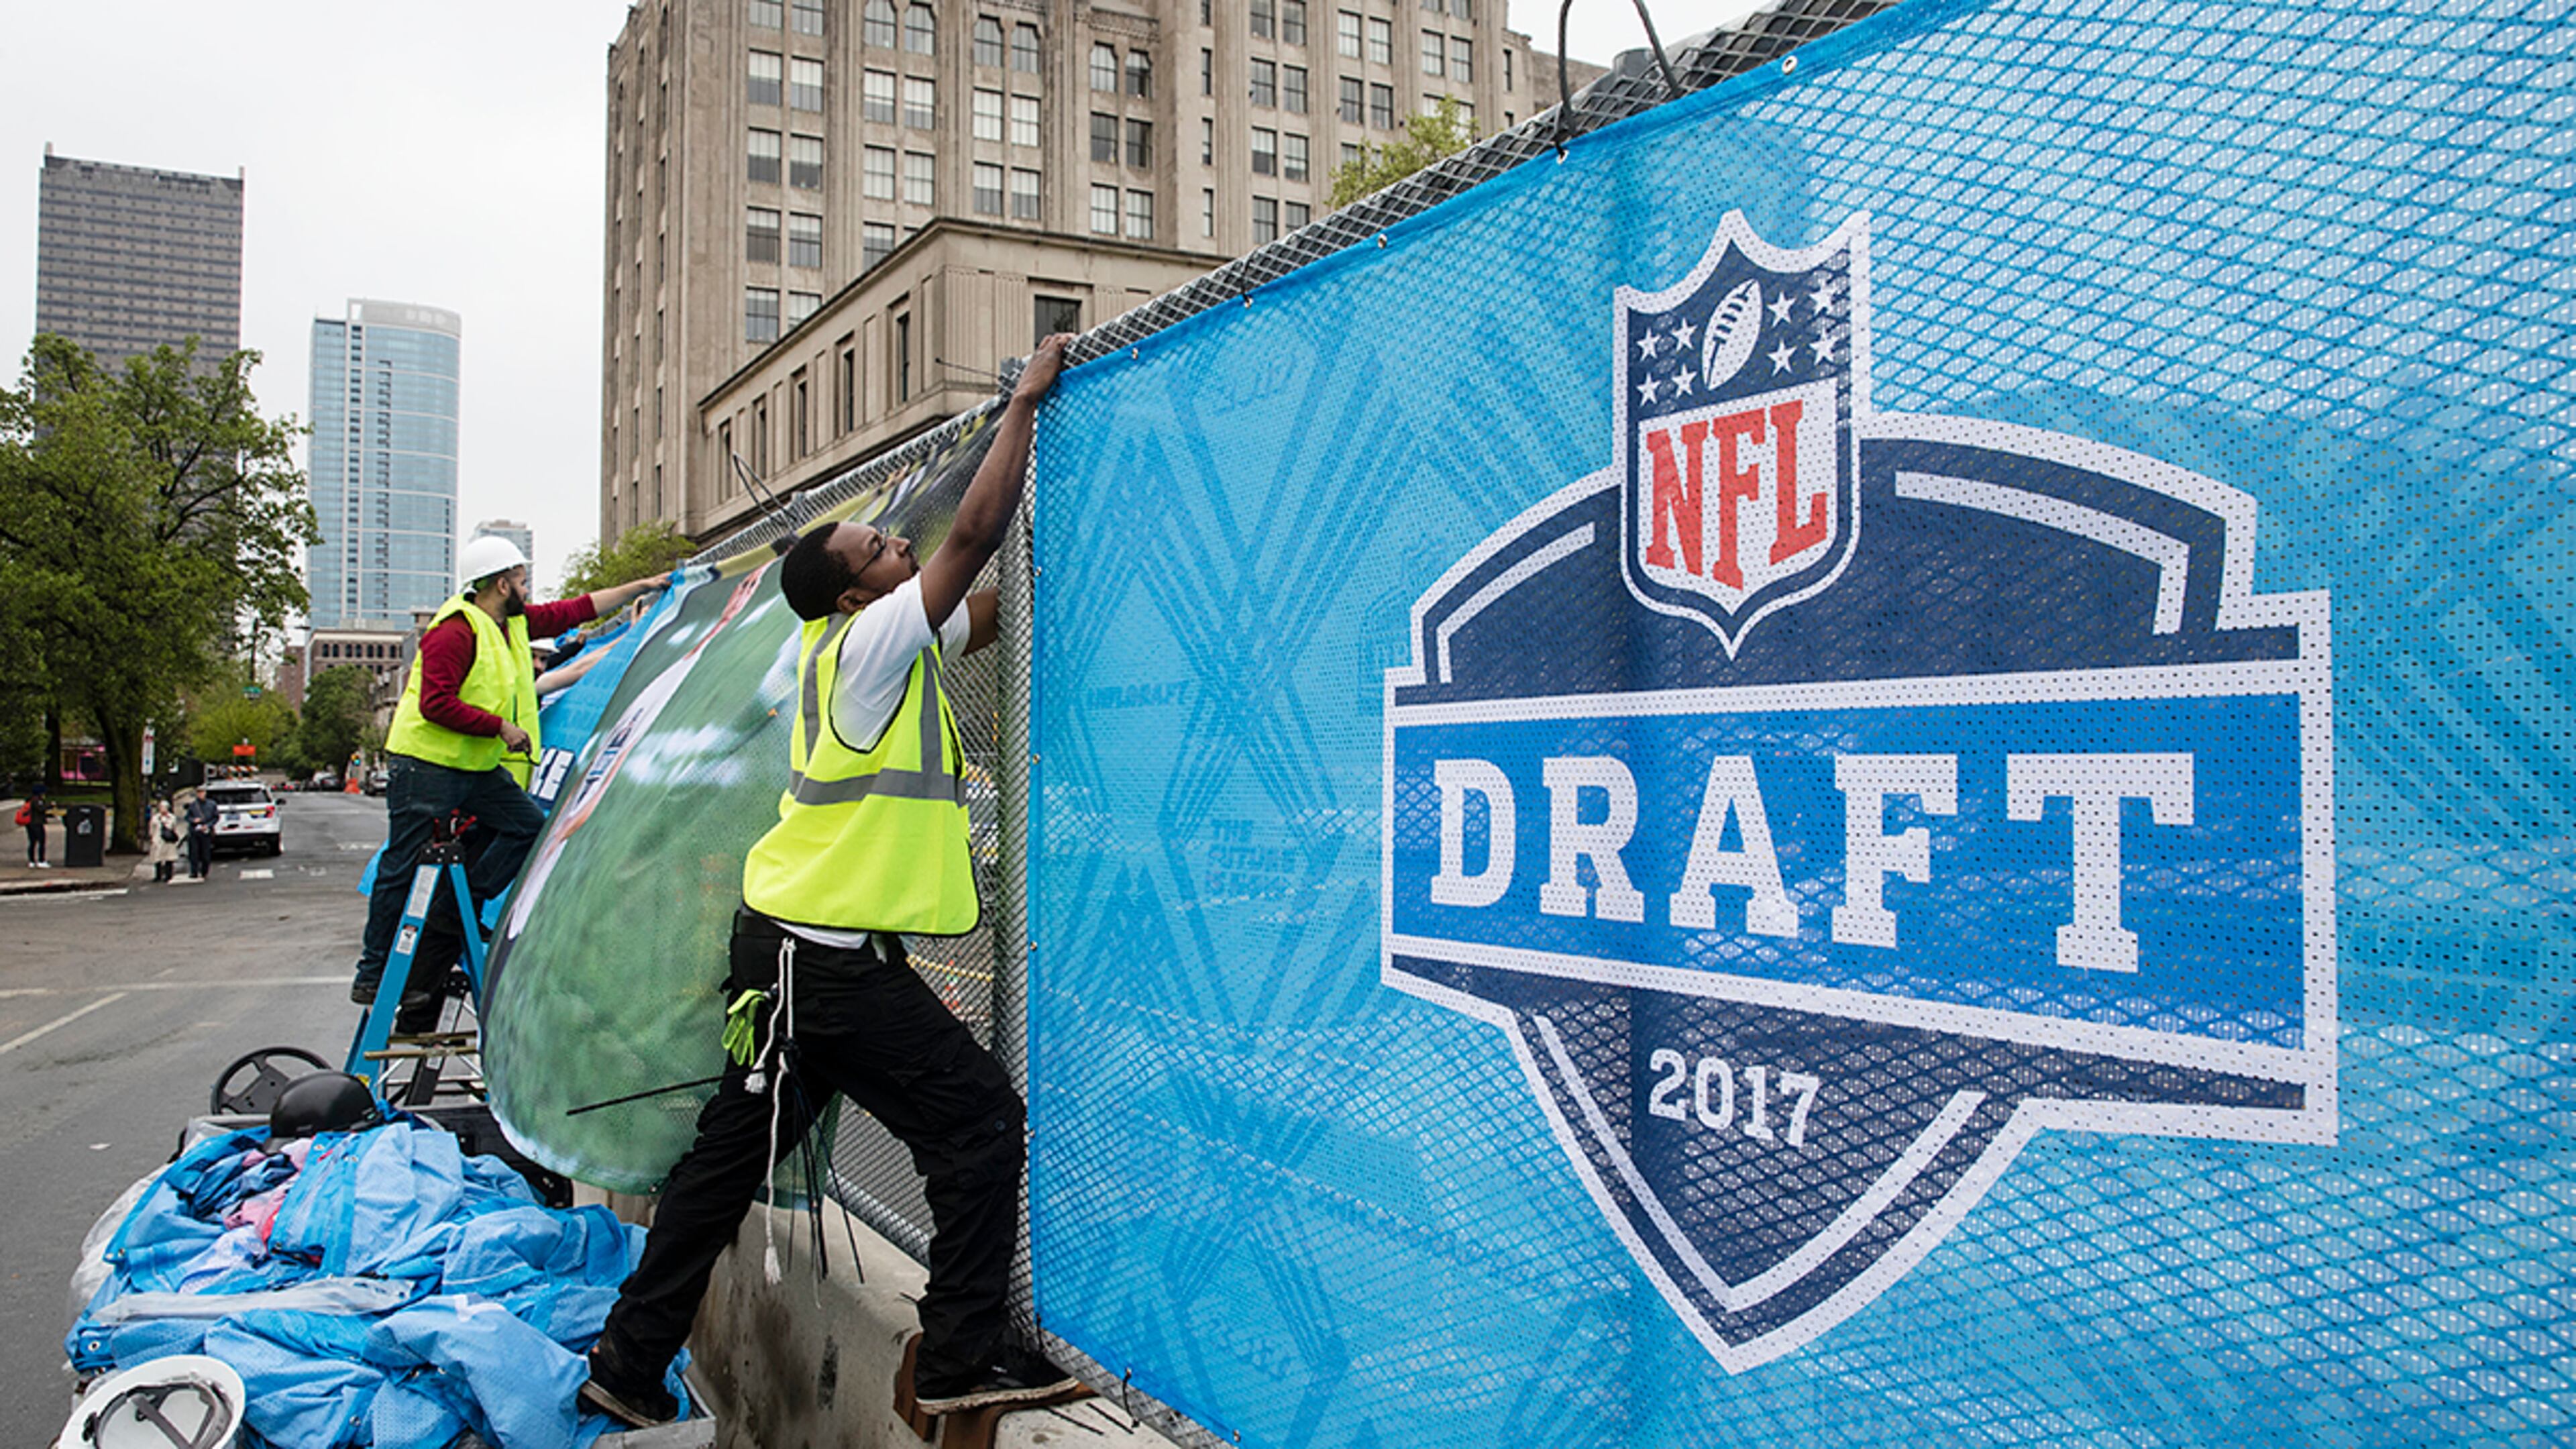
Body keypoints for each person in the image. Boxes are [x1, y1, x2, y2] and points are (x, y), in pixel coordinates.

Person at [580, 335, 1077, 1430]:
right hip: (825, 967)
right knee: (980, 1125)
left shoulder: (867, 649)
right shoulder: (869, 646)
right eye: (879, 547)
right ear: (855, 596)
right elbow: (972, 537)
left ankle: (626, 1362)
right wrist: (1022, 411)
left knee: (724, 1166)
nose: (901, 543)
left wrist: (1068, 561)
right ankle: (959, 1357)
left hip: (791, 956)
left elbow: (988, 607)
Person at [349, 537, 668, 1010]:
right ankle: (373, 972)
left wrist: (641, 586)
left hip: (474, 767)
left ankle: (460, 909)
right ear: (502, 584)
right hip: (426, 767)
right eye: (521, 579)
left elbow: (575, 610)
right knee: (402, 865)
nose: (526, 587)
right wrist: (499, 727)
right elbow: (435, 704)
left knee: (528, 827)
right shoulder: (455, 632)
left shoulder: (513, 624)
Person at [184, 790, 217, 879]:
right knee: (194, 853)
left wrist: (208, 825)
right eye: (199, 793)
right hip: (195, 831)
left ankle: (204, 871)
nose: (201, 795)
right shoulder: (193, 805)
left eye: (202, 793)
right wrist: (193, 820)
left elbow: (215, 817)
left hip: (206, 832)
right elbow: (187, 817)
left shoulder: (211, 805)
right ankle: (194, 871)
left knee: (206, 854)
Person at [148, 796, 180, 883]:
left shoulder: (172, 818)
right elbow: (152, 829)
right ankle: (158, 875)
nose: (163, 809)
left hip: (168, 841)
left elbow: (174, 828)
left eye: (165, 807)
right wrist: (152, 838)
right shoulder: (155, 818)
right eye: (162, 807)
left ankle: (168, 875)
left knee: (169, 858)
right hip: (158, 840)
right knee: (157, 858)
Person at [15, 788, 47, 867]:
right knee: (41, 842)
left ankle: (31, 861)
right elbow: (41, 809)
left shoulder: (30, 800)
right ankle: (41, 860)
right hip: (36, 824)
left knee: (32, 842)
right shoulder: (36, 801)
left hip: (30, 824)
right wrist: (50, 805)